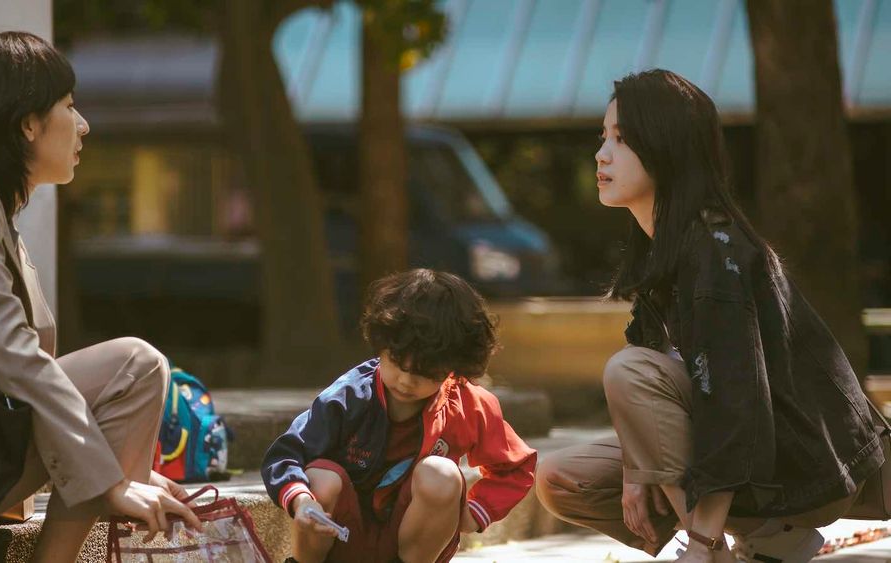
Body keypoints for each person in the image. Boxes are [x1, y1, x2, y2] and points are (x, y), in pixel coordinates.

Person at [534, 69, 885, 563]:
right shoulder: (661, 248)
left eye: (622, 139)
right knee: (561, 479)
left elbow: (734, 405)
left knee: (629, 370)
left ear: (665, 147)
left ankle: (734, 546)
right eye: (603, 137)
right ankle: (759, 540)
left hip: (799, 460)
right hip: (738, 452)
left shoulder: (716, 253)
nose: (601, 154)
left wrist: (699, 542)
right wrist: (637, 472)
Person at [0, 32, 201, 561]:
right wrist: (111, 481)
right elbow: (15, 358)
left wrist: (127, 469)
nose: (83, 125)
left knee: (128, 377)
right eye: (70, 106)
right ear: (27, 124)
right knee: (136, 363)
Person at [261, 269, 537, 563]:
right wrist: (302, 501)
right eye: (396, 363)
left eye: (424, 372)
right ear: (382, 346)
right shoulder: (348, 396)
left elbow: (516, 467)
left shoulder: (468, 404)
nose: (406, 381)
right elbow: (285, 454)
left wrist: (475, 512)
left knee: (441, 474)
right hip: (341, 537)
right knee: (320, 478)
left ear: (452, 367)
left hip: (410, 546)